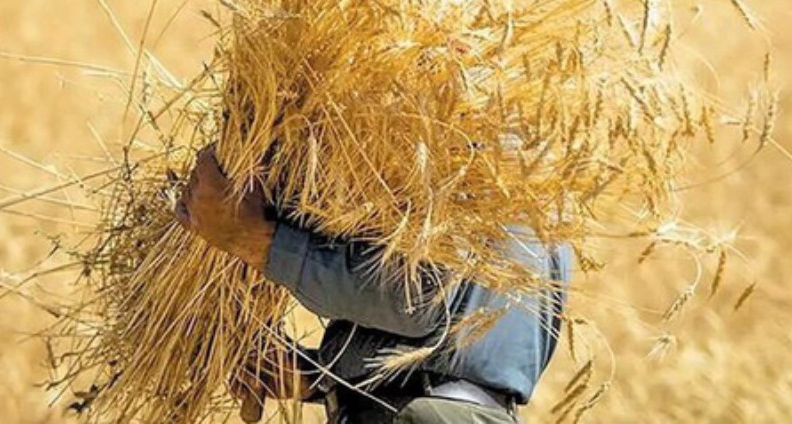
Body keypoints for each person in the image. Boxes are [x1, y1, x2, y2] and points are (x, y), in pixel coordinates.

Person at [175, 146, 572, 424]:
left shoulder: (451, 152)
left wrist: (255, 240)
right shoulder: (536, 184)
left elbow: (416, 301)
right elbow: (455, 342)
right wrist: (319, 377)